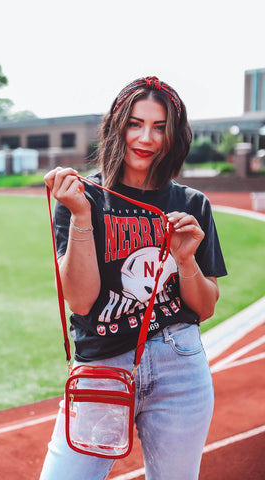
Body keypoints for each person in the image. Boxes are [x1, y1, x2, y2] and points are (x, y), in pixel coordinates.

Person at [40, 76, 227, 480]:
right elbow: (81, 301)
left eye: (160, 127)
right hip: (103, 366)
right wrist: (82, 216)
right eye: (135, 124)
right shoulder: (81, 199)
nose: (147, 138)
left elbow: (206, 306)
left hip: (180, 363)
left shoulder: (192, 204)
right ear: (116, 126)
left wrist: (186, 260)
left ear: (174, 136)